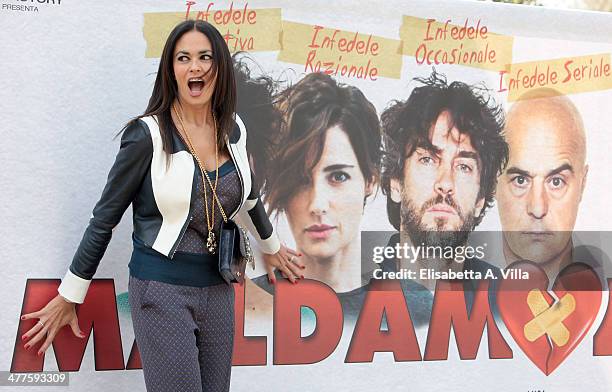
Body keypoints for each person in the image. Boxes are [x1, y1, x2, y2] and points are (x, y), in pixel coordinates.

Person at [19, 20, 303, 392]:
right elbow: (104, 220)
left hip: (219, 286)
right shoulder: (147, 136)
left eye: (205, 57)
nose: (195, 67)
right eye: (183, 58)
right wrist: (71, 293)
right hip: (161, 288)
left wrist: (272, 247)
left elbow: (248, 196)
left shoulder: (234, 128)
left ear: (220, 68)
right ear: (171, 69)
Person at [379, 71, 508, 324]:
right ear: (396, 182)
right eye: (427, 160)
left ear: (481, 199)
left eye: (463, 167)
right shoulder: (350, 307)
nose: (445, 183)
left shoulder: (512, 308)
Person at [252, 72, 382, 322]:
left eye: (338, 177)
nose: (317, 205)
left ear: (370, 181)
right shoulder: (253, 305)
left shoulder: (411, 305)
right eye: (300, 181)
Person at [496, 89, 606, 285]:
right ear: (494, 182)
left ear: (582, 184)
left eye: (556, 181)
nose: (538, 208)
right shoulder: (452, 286)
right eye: (521, 180)